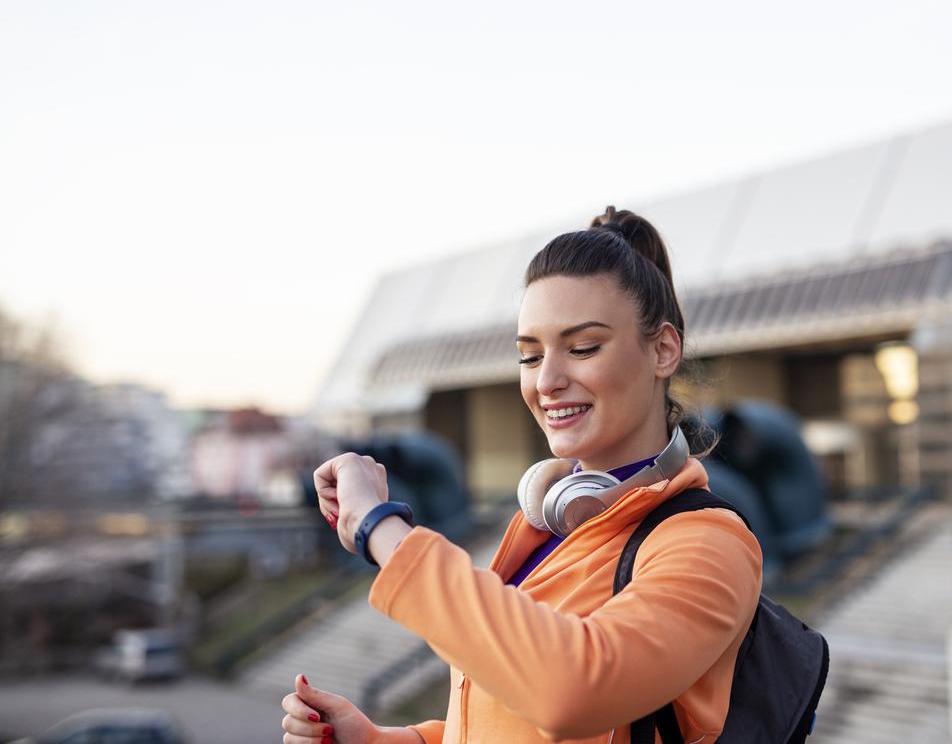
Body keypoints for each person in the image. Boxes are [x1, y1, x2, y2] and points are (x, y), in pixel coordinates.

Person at [281, 207, 763, 744]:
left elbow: (571, 694)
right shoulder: (545, 529)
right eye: (530, 357)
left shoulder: (708, 543)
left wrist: (380, 527)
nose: (548, 381)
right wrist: (388, 741)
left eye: (582, 348)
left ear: (663, 349)